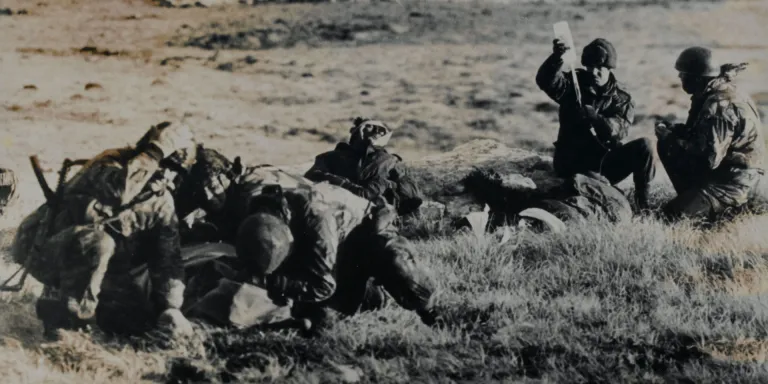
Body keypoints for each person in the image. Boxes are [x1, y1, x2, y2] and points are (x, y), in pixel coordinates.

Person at [172, 149, 440, 332]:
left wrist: (265, 280)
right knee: (320, 320)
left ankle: (430, 310)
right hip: (300, 241)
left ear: (229, 176)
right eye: (202, 190)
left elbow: (322, 286)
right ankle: (368, 295)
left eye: (213, 185)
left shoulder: (305, 211)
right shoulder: (242, 201)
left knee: (399, 267)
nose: (208, 195)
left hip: (359, 231)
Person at [12, 121, 198, 340]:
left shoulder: (160, 201)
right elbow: (120, 192)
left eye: (175, 172)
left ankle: (88, 314)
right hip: (48, 255)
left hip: (104, 273)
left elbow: (167, 259)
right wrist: (155, 152)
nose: (166, 176)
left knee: (140, 325)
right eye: (163, 165)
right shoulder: (108, 165)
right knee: (97, 241)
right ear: (146, 155)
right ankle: (70, 327)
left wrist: (171, 306)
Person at [536, 37, 657, 210]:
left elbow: (619, 131)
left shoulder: (622, 98)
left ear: (610, 69)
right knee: (598, 184)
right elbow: (545, 81)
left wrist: (596, 119)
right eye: (590, 67)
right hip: (572, 162)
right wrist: (557, 57)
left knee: (646, 145)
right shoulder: (573, 85)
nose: (594, 72)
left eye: (600, 67)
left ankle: (643, 204)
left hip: (605, 162)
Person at [654, 46, 766, 223]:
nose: (680, 77)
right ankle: (699, 201)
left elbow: (709, 159)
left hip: (732, 181)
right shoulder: (717, 92)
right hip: (732, 172)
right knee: (669, 142)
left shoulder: (718, 105)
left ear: (697, 78)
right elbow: (702, 136)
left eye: (683, 74)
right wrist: (676, 132)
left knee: (669, 217)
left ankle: (726, 209)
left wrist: (671, 138)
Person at [304, 117, 424, 216]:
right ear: (356, 132)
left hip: (375, 217)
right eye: (370, 127)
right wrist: (344, 185)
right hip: (336, 213)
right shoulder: (329, 158)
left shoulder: (390, 162)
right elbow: (310, 178)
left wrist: (387, 186)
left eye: (382, 130)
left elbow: (412, 198)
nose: (376, 132)